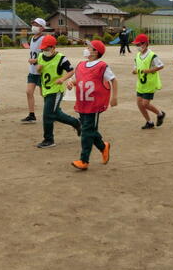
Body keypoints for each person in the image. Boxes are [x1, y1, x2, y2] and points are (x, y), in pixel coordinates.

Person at [66, 40, 117, 170]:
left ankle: (84, 160)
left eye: (89, 47)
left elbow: (113, 80)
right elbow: (78, 80)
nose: (86, 49)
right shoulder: (81, 65)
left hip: (94, 104)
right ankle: (103, 146)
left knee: (86, 132)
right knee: (89, 130)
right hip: (82, 103)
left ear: (95, 51)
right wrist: (71, 83)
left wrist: (114, 97)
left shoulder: (102, 66)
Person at [35, 35, 80, 148]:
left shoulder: (61, 58)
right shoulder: (40, 56)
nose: (45, 51)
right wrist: (38, 69)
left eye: (47, 49)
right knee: (55, 113)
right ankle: (76, 123)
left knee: (47, 115)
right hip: (46, 89)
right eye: (43, 49)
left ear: (53, 47)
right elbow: (40, 72)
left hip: (56, 91)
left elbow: (71, 71)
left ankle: (49, 139)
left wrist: (63, 79)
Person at [131, 33, 166, 129]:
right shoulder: (138, 55)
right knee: (139, 103)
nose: (137, 47)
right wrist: (134, 71)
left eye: (139, 44)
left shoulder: (152, 55)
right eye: (136, 45)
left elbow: (161, 66)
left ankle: (160, 114)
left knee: (145, 103)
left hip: (150, 83)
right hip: (141, 83)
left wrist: (149, 70)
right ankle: (149, 122)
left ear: (145, 44)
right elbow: (135, 67)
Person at [22, 18, 47, 123]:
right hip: (32, 71)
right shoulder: (32, 38)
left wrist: (36, 60)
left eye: (37, 25)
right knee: (29, 92)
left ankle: (52, 112)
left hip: (41, 71)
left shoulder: (44, 39)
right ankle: (31, 115)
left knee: (44, 94)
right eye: (33, 24)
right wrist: (32, 60)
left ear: (42, 28)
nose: (34, 26)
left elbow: (47, 55)